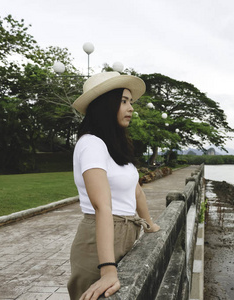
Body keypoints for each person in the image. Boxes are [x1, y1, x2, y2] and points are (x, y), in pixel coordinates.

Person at [67, 72, 160, 300]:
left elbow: (136, 190)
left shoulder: (115, 146)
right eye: (123, 101)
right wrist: (107, 269)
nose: (131, 108)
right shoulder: (91, 144)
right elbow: (102, 206)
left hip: (125, 233)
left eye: (131, 102)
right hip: (98, 241)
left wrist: (150, 225)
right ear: (105, 105)